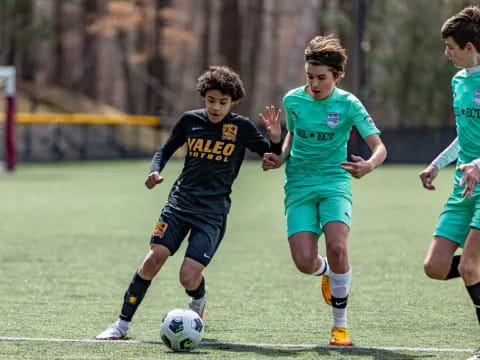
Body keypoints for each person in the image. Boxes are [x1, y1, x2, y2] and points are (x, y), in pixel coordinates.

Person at [96, 66, 282, 340]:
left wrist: (275, 140)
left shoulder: (240, 128)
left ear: (233, 102)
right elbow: (164, 150)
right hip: (179, 205)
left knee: (188, 277)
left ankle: (198, 298)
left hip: (212, 213)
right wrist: (154, 170)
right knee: (152, 259)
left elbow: (272, 156)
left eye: (223, 102)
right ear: (203, 97)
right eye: (211, 101)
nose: (216, 107)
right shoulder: (189, 121)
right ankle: (121, 325)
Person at [261, 35, 387, 346]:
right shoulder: (293, 100)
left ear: (337, 76)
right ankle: (330, 272)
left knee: (338, 246)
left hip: (334, 182)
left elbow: (379, 147)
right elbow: (292, 136)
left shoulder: (348, 104)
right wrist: (278, 156)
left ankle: (339, 326)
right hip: (299, 185)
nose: (314, 85)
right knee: (304, 262)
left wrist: (368, 166)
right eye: (309, 77)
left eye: (321, 78)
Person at [418, 6, 480, 360]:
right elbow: (464, 136)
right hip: (463, 186)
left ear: (469, 47)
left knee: (470, 267)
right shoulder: (459, 81)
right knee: (435, 267)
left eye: (450, 47)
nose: (446, 53)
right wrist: (437, 164)